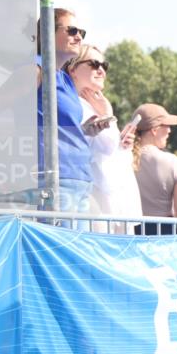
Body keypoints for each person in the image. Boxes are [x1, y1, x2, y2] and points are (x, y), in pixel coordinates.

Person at [63, 45, 142, 233]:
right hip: (95, 202)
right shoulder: (75, 105)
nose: (101, 70)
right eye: (93, 63)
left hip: (112, 201)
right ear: (73, 69)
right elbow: (106, 147)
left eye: (104, 65)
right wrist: (108, 114)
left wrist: (124, 146)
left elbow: (116, 155)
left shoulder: (95, 105)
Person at [36, 8, 93, 218]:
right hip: (55, 179)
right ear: (48, 33)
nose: (78, 36)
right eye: (72, 30)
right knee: (58, 249)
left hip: (80, 178)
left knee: (76, 248)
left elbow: (63, 125)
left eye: (81, 33)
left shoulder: (66, 79)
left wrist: (88, 129)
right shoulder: (37, 68)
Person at [132, 104, 177, 234]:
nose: (170, 131)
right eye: (167, 126)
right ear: (154, 130)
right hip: (163, 239)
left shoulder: (121, 159)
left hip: (128, 237)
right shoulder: (173, 163)